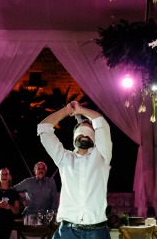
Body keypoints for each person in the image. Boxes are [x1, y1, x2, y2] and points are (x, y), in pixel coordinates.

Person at [38, 100, 112, 239]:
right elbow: (43, 128)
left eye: (89, 131)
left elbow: (101, 123)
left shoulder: (102, 156)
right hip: (67, 231)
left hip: (97, 231)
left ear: (94, 138)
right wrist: (66, 110)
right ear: (74, 137)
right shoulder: (63, 158)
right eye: (81, 131)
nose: (85, 134)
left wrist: (81, 110)